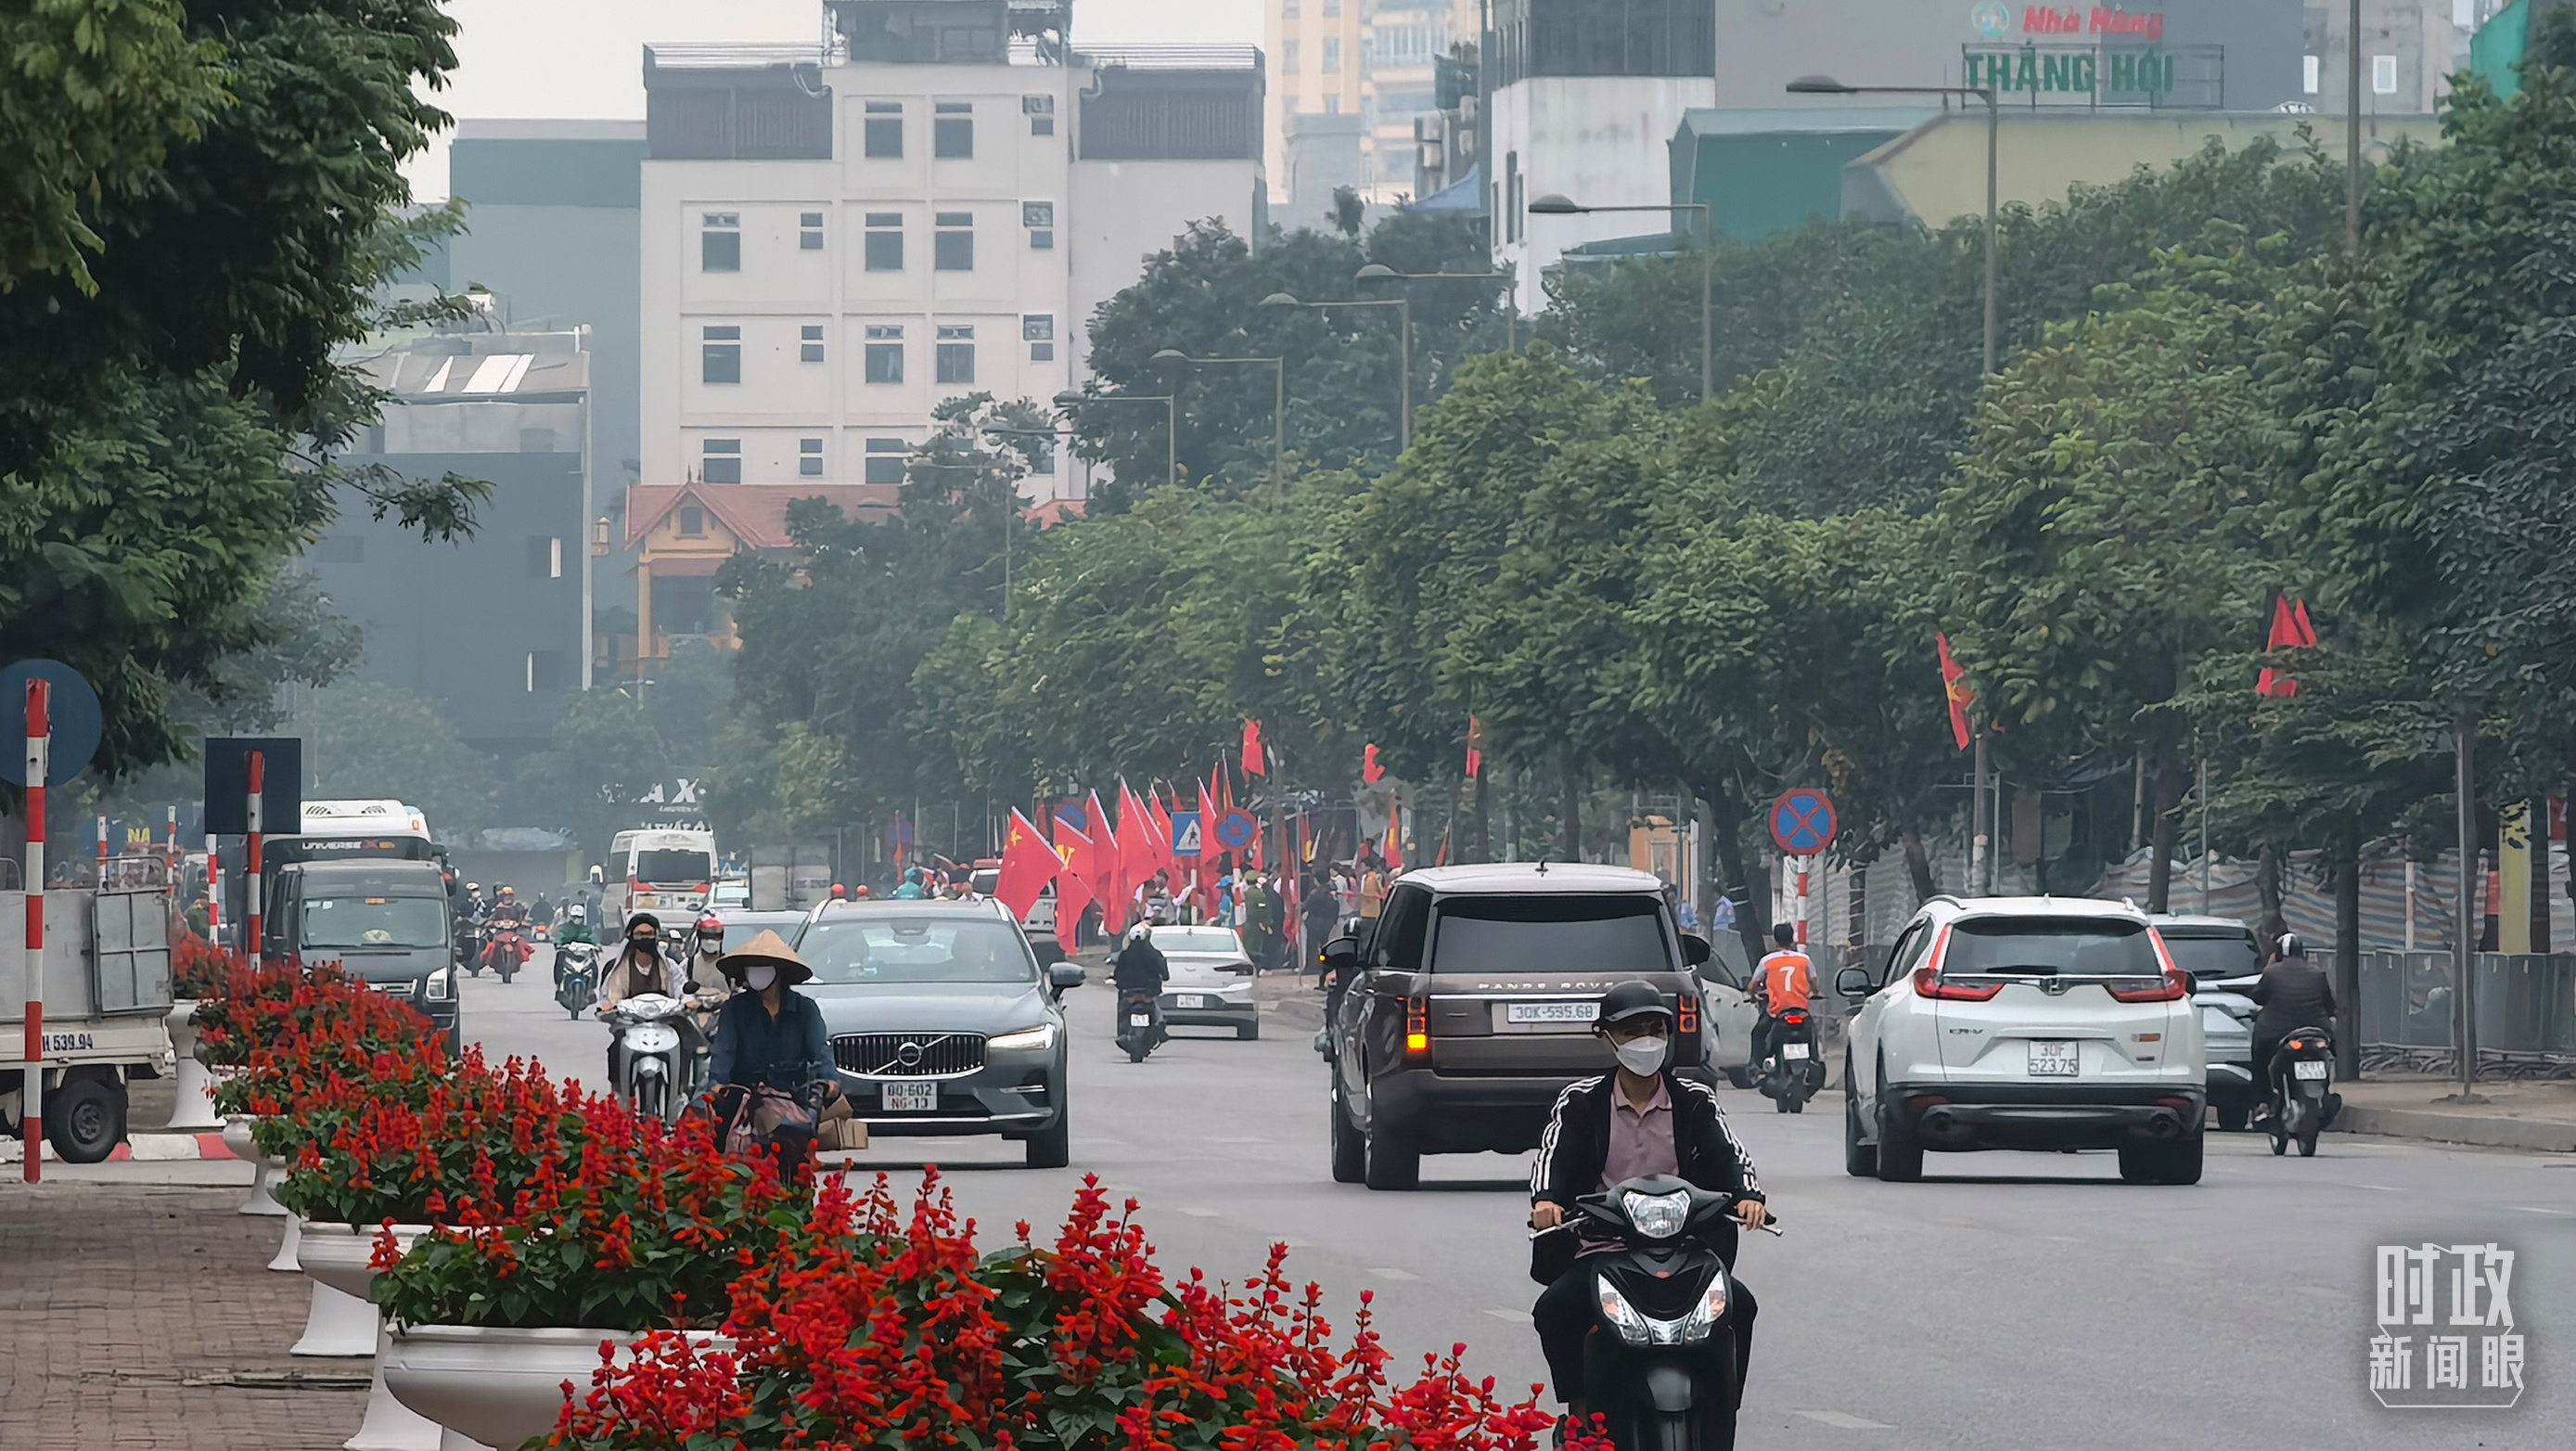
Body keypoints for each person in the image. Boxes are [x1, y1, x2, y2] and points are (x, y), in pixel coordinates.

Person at [1529, 982, 1765, 1421]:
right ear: (1606, 1037)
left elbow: (1729, 1155)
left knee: (1742, 1306)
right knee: (1555, 1308)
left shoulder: (1695, 1100)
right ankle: (1580, 1411)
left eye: (1655, 1029)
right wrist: (1547, 1202)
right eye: (1633, 1030)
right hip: (1603, 1249)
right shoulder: (1580, 1102)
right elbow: (1552, 1160)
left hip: (1685, 1249)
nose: (1646, 1041)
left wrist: (1749, 1196)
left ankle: (1721, 1407)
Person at [705, 930, 843, 1165]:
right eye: (752, 966)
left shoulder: (805, 1010)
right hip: (745, 1096)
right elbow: (724, 1051)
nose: (755, 971)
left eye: (763, 965)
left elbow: (819, 1050)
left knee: (798, 1150)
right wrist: (716, 1085)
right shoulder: (735, 1010)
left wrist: (830, 1081)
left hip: (792, 1096)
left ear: (779, 972)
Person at [2249, 932, 2335, 1119]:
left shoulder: (2271, 972)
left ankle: (2262, 1101)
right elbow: (2329, 1006)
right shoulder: (2317, 973)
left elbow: (2258, 997)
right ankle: (2326, 1092)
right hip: (2317, 1031)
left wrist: (2269, 966)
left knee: (2259, 1058)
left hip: (2277, 1033)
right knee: (2331, 1052)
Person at [599, 912, 677, 1085]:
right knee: (616, 1050)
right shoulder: (616, 968)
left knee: (683, 1049)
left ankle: (680, 1091)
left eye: (649, 934)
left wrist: (688, 1001)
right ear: (630, 936)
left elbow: (681, 989)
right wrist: (608, 1006)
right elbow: (607, 996)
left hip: (664, 1026)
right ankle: (619, 1094)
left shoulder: (670, 966)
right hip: (629, 1025)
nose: (645, 938)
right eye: (640, 934)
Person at [1749, 923, 1813, 1068]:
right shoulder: (1804, 960)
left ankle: (1757, 1066)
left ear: (1776, 940)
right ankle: (1814, 1059)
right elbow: (1814, 980)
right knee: (1812, 1035)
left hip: (1776, 1011)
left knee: (1758, 1034)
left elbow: (1753, 984)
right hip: (1801, 1010)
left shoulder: (1768, 960)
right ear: (1792, 939)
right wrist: (1813, 991)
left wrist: (1753, 995)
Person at [1112, 921, 1169, 1034]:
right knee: (1156, 1008)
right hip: (1149, 990)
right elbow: (1165, 974)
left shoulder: (1125, 955)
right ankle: (1160, 1024)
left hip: (1129, 990)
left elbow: (1117, 973)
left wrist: (1119, 983)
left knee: (1123, 1007)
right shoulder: (1154, 954)